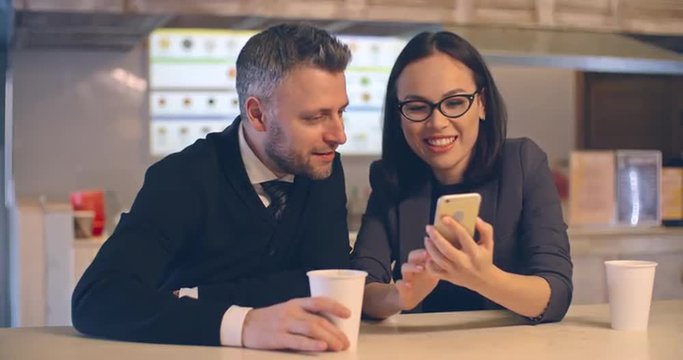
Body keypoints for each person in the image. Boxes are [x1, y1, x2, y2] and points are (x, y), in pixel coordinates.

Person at [72, 23, 354, 352]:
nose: (339, 135)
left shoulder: (321, 166)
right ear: (257, 114)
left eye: (340, 112)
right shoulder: (182, 178)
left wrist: (196, 296)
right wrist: (244, 325)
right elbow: (98, 298)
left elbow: (328, 287)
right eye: (315, 117)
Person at [351, 31, 573, 322]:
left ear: (482, 104)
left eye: (454, 102)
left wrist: (483, 278)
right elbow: (360, 286)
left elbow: (556, 293)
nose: (437, 123)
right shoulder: (390, 178)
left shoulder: (523, 164)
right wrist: (399, 296)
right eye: (417, 107)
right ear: (398, 114)